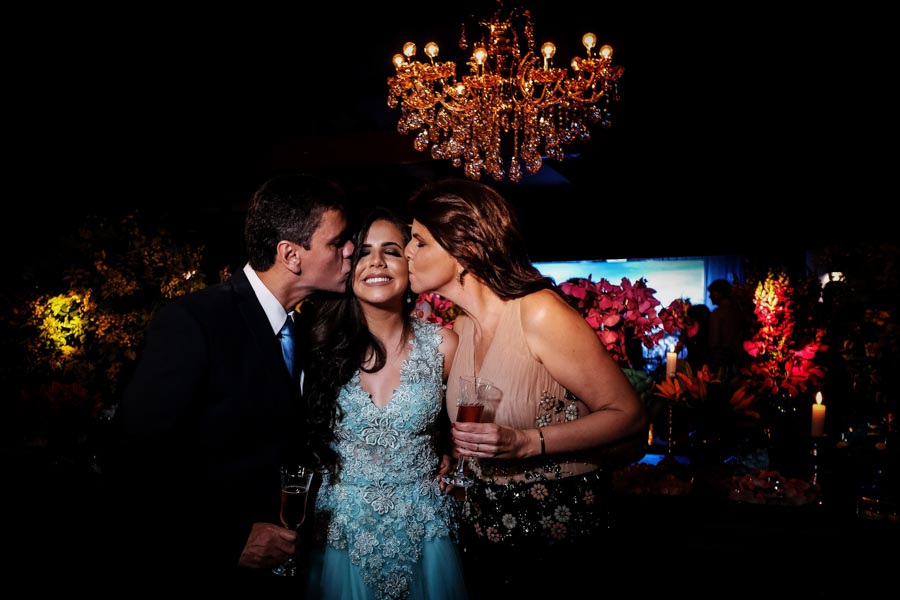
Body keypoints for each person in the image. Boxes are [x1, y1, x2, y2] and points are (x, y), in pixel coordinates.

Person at [403, 179, 648, 597]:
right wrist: (455, 460)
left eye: (419, 241)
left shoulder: (539, 313)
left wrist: (526, 443)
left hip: (557, 526)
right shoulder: (462, 328)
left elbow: (629, 416)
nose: (407, 251)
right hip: (485, 532)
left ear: (466, 250)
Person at [109, 173, 355, 578]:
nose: (350, 250)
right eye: (337, 242)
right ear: (291, 255)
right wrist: (229, 539)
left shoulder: (306, 329)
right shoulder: (194, 322)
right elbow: (134, 462)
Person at [301, 207, 467, 599]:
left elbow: (469, 427)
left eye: (391, 251)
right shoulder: (317, 348)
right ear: (348, 267)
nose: (377, 262)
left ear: (410, 265)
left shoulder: (445, 346)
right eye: (364, 252)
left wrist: (451, 454)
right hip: (340, 531)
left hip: (424, 530)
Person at [707, 278, 748, 372]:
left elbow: (714, 342)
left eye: (712, 293)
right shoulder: (739, 310)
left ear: (719, 293)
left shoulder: (717, 313)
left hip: (721, 359)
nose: (710, 296)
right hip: (739, 358)